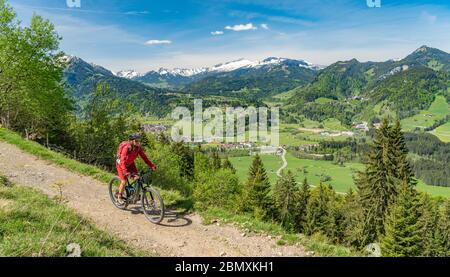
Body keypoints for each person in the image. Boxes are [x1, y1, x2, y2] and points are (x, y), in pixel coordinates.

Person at [115, 133, 157, 203]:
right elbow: (122, 162)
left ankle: (134, 194)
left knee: (138, 177)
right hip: (121, 165)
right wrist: (125, 172)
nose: (138, 142)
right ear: (131, 141)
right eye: (136, 141)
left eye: (139, 141)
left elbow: (145, 158)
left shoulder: (138, 148)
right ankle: (119, 196)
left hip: (130, 164)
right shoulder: (126, 148)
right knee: (124, 181)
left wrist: (151, 165)